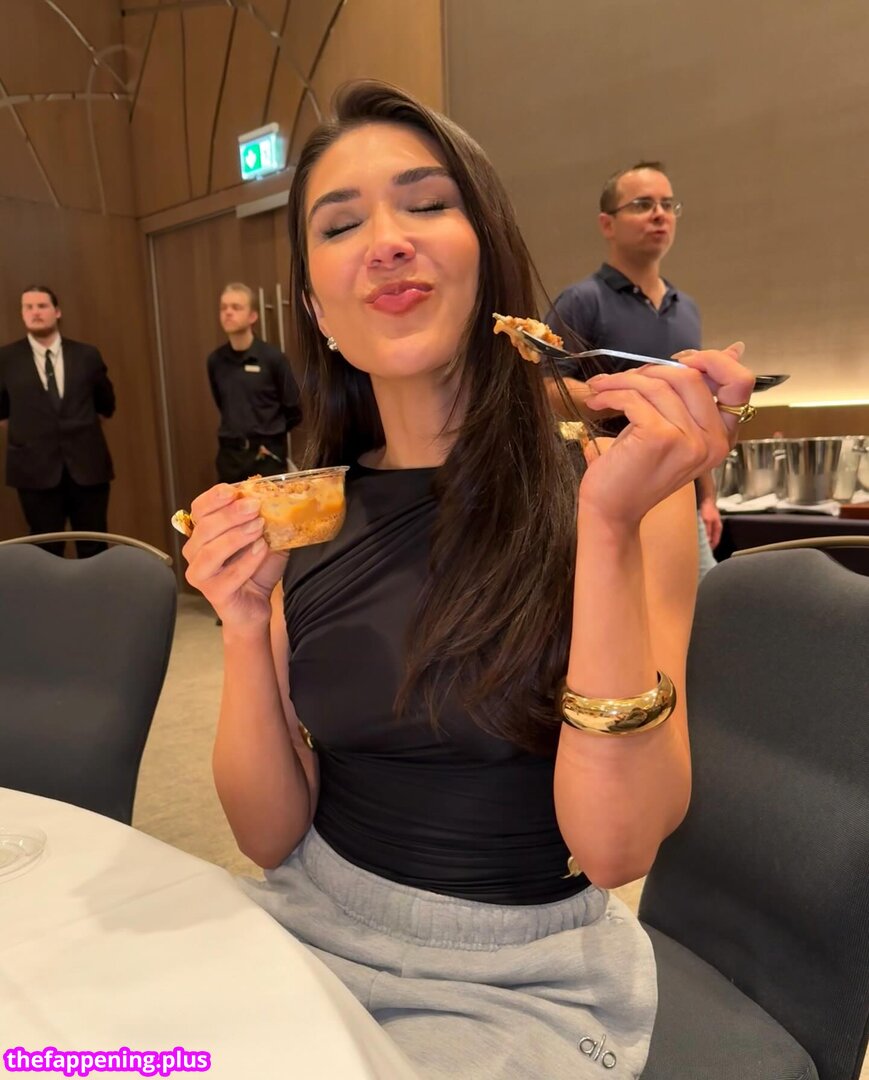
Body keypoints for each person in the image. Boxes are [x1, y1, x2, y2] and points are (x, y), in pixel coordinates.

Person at [180, 82, 754, 1080]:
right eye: (340, 223)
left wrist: (604, 529)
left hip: (518, 980)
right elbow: (269, 837)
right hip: (308, 926)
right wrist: (238, 621)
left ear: (488, 252)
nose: (386, 241)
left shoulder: (623, 493)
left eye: (426, 204)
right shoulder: (302, 510)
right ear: (314, 305)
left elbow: (616, 849)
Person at [543, 161, 723, 577]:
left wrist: (708, 496)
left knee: (701, 607)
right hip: (609, 497)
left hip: (681, 492)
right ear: (607, 224)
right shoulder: (580, 301)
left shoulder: (686, 308)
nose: (659, 214)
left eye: (667, 204)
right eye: (642, 204)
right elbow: (547, 388)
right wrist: (628, 394)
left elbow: (696, 406)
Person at [0, 286, 115, 557]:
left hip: (87, 468)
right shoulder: (5, 359)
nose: (35, 312)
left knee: (95, 546)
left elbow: (105, 406)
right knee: (45, 551)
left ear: (57, 311)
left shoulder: (87, 355)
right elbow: (3, 413)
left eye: (41, 306)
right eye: (28, 307)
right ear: (22, 314)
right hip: (34, 470)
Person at [206, 283, 302, 483]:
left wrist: (270, 435)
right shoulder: (216, 361)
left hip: (267, 456)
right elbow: (222, 404)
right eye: (224, 308)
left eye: (236, 307)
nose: (228, 312)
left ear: (252, 316)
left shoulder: (273, 359)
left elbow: (294, 410)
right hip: (230, 457)